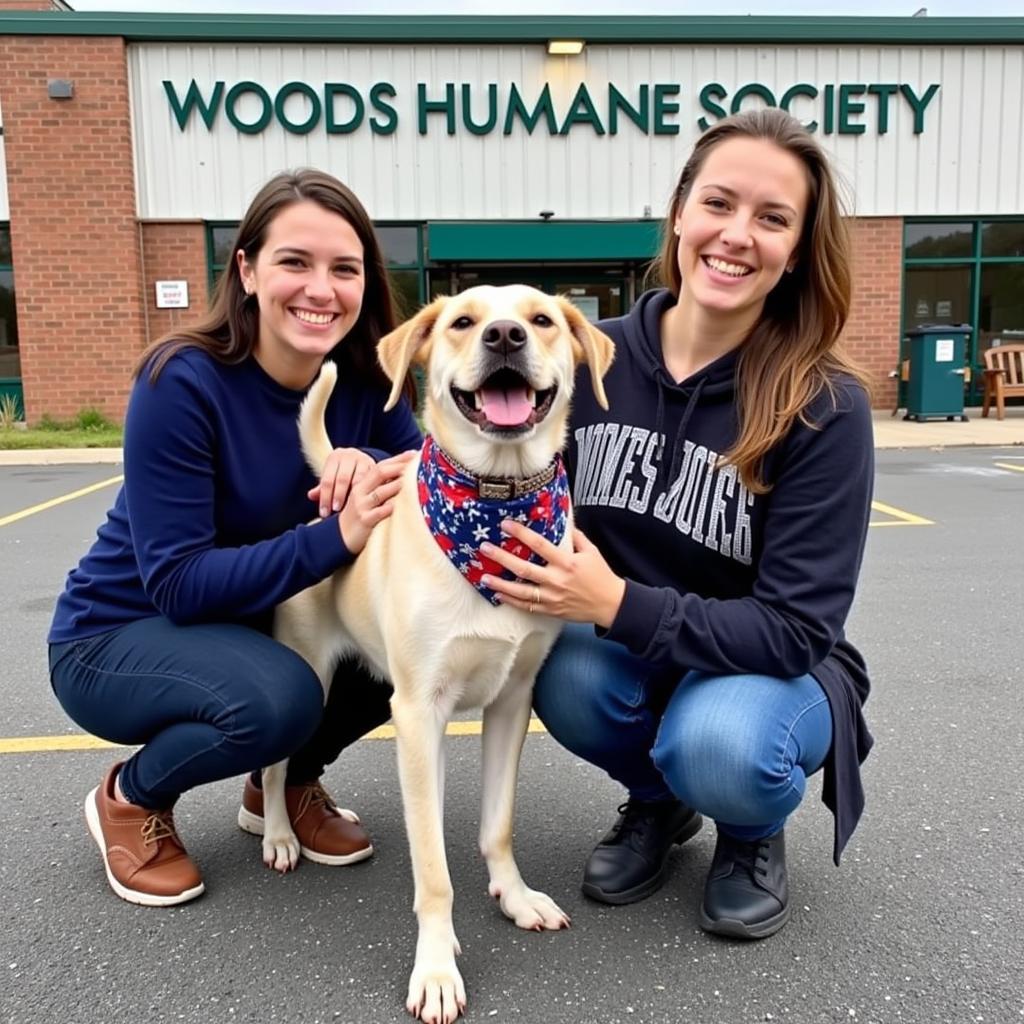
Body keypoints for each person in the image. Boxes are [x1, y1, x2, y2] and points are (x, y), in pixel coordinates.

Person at [479, 108, 874, 940]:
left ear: (797, 250)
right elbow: (485, 444)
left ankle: (747, 830)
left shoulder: (824, 405)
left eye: (772, 219)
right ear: (681, 212)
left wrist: (617, 602)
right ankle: (659, 805)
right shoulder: (588, 361)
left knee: (722, 744)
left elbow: (798, 628)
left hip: (773, 670)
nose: (737, 235)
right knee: (559, 673)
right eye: (720, 204)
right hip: (633, 646)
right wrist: (381, 465)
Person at [47, 169, 422, 907]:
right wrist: (336, 536)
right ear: (247, 270)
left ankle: (281, 786)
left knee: (404, 648)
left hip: (255, 626)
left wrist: (372, 461)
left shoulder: (363, 385)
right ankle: (130, 796)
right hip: (120, 634)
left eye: (344, 269)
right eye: (294, 262)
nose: (321, 288)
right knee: (276, 698)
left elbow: (423, 478)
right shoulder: (181, 382)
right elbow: (179, 584)